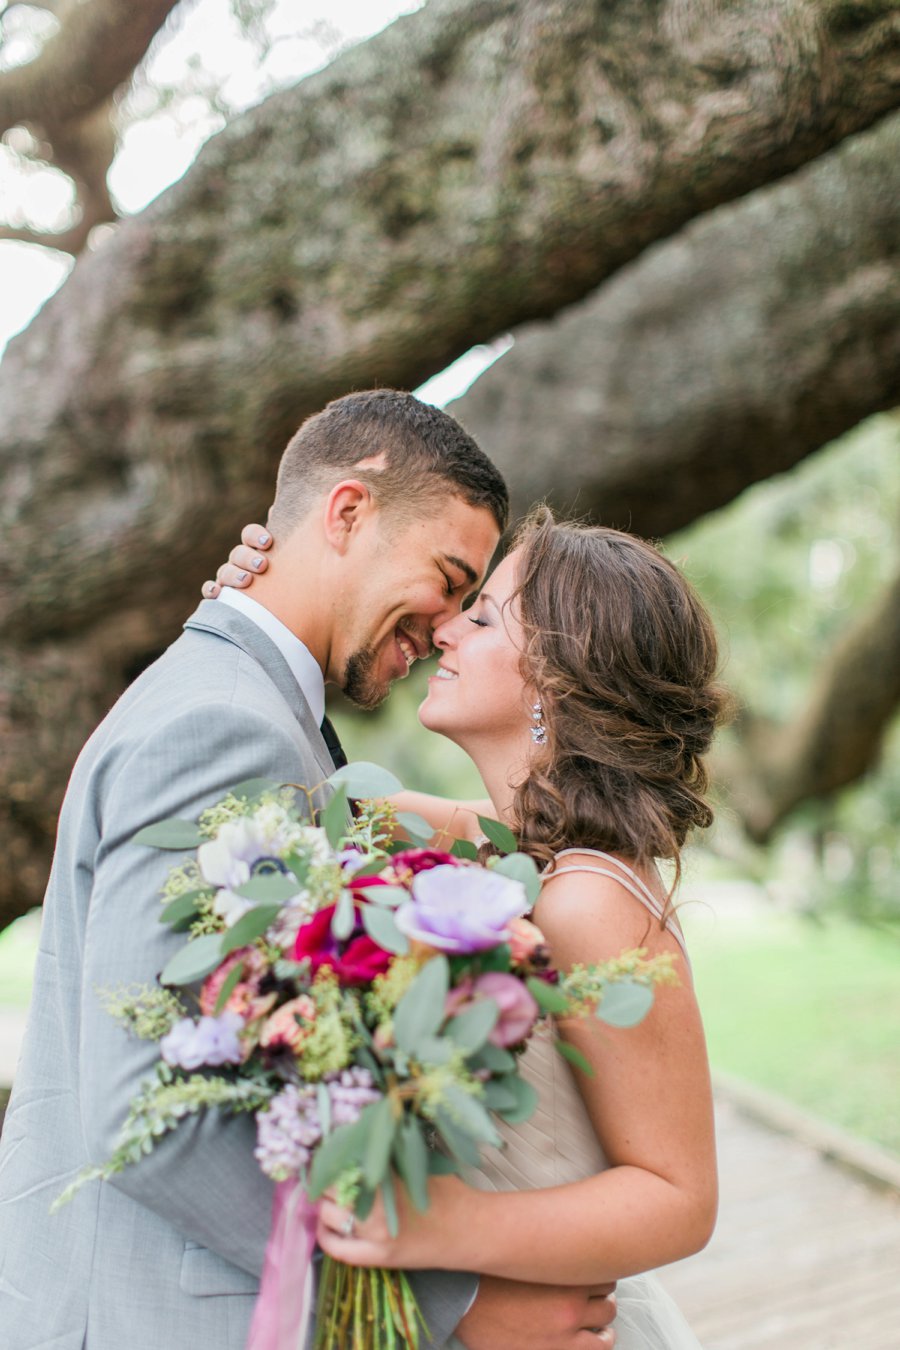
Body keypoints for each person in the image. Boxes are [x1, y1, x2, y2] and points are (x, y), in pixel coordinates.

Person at [0, 390, 619, 1350]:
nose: (447, 628)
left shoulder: (249, 705)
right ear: (347, 511)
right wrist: (451, 1308)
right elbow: (146, 1112)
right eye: (449, 580)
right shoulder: (225, 725)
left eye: (471, 607)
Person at [213, 506, 725, 1348]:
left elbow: (681, 1197)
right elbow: (318, 798)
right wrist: (264, 602)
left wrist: (435, 1229)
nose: (446, 628)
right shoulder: (522, 850)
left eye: (483, 616)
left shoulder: (590, 900)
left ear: (557, 684)